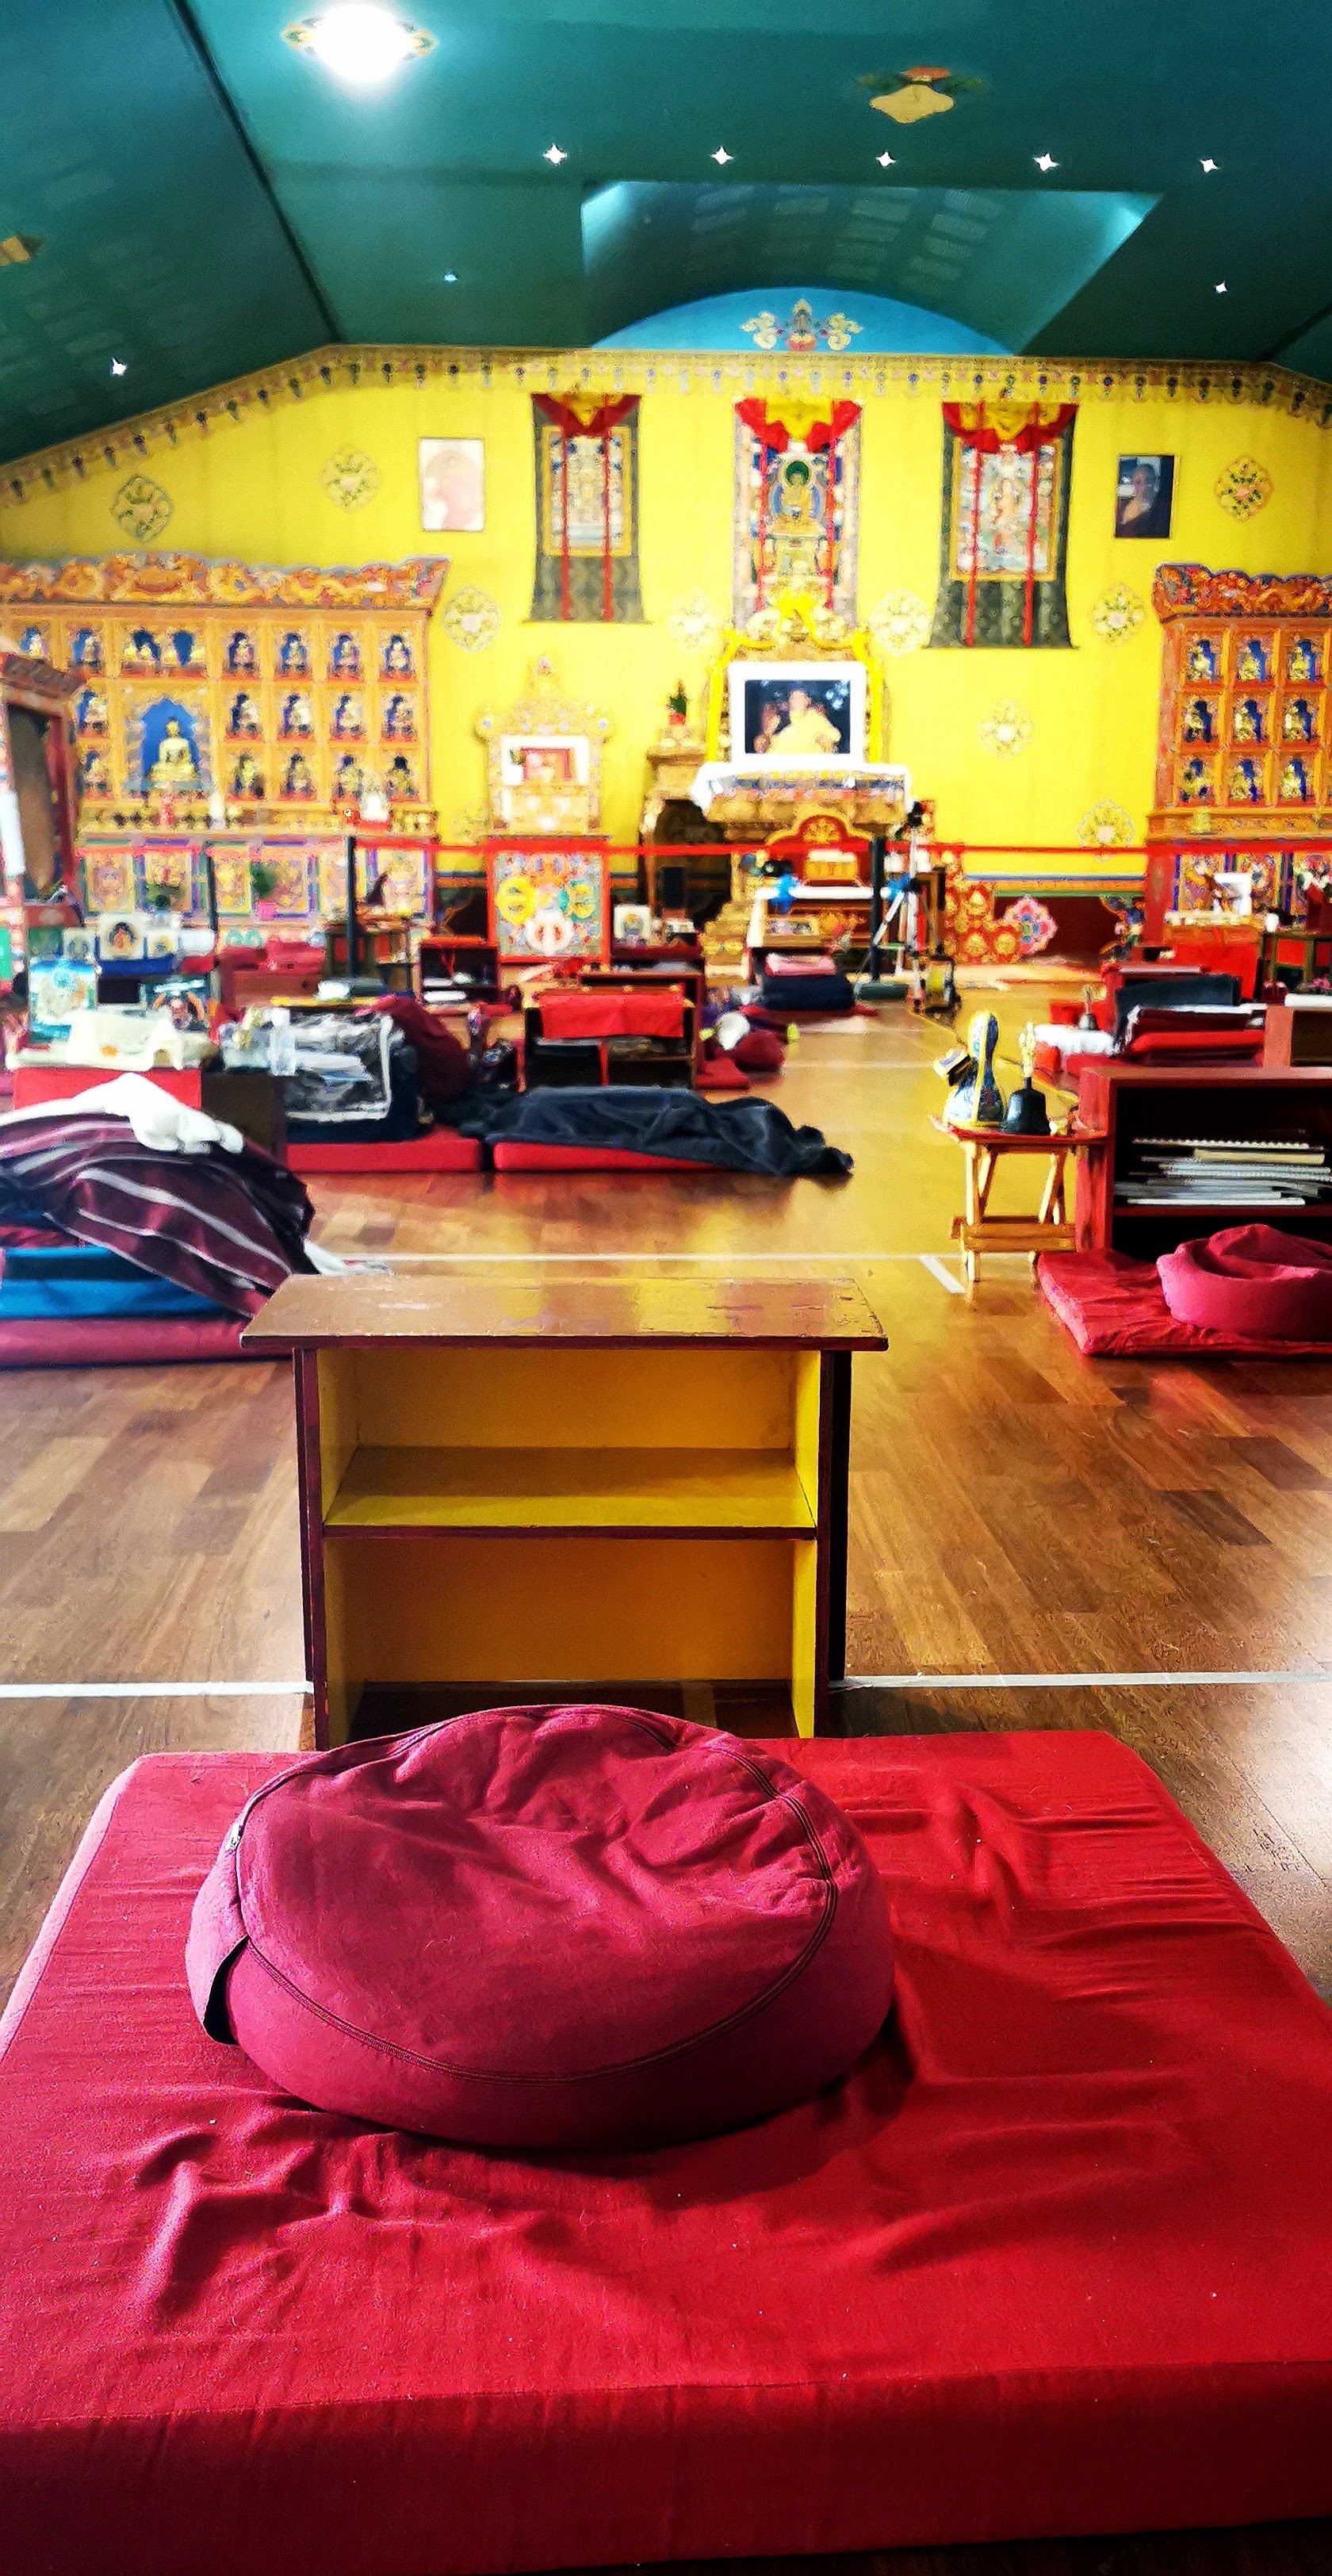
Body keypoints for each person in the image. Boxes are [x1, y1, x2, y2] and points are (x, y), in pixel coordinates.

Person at [768, 686, 842, 756]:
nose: (796, 701)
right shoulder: (780, 722)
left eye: (800, 698)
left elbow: (832, 737)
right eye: (793, 698)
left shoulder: (815, 717)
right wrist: (769, 734)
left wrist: (826, 743)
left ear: (808, 700)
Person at [1115, 457, 1172, 539]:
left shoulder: (1161, 509)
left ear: (1155, 482)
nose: (1144, 486)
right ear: (1133, 483)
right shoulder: (1122, 503)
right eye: (1138, 482)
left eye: (1148, 481)